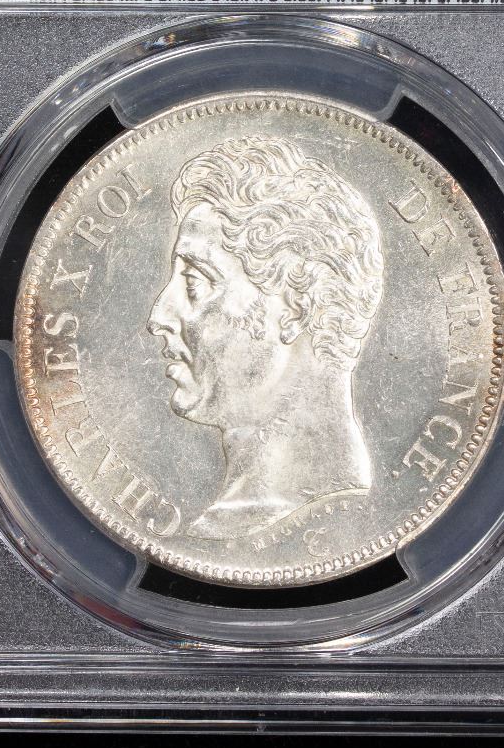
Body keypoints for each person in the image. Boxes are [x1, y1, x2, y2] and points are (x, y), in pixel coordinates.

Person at [148, 134, 385, 538]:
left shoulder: (344, 517)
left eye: (195, 281)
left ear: (296, 309)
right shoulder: (223, 524)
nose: (158, 317)